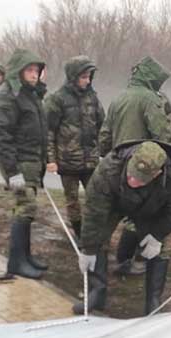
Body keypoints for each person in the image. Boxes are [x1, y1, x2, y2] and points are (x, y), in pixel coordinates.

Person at [76, 140, 171, 315]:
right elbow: (94, 212)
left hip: (151, 208)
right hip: (116, 203)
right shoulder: (109, 169)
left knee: (157, 248)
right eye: (131, 174)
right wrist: (88, 247)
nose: (133, 180)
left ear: (158, 173)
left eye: (140, 178)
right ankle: (97, 292)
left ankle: (153, 301)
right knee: (98, 238)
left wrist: (157, 235)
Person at [98, 56, 171, 275]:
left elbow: (105, 135)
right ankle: (137, 261)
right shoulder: (151, 100)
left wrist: (108, 158)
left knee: (126, 212)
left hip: (119, 166)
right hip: (144, 164)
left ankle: (119, 259)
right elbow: (163, 135)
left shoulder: (118, 98)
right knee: (147, 214)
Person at [0, 49, 49, 279]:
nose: (34, 75)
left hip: (31, 161)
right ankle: (15, 262)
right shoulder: (7, 97)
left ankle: (25, 256)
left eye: (36, 70)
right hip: (19, 163)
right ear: (18, 71)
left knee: (27, 210)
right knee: (24, 208)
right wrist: (12, 172)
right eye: (29, 70)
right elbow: (0, 136)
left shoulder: (27, 94)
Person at [44, 55, 105, 239]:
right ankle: (79, 234)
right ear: (73, 76)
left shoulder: (93, 97)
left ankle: (95, 233)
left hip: (91, 161)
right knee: (73, 202)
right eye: (83, 76)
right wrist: (51, 160)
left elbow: (103, 126)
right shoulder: (57, 99)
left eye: (89, 76)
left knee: (97, 198)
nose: (87, 80)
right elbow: (48, 131)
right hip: (67, 161)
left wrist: (106, 152)